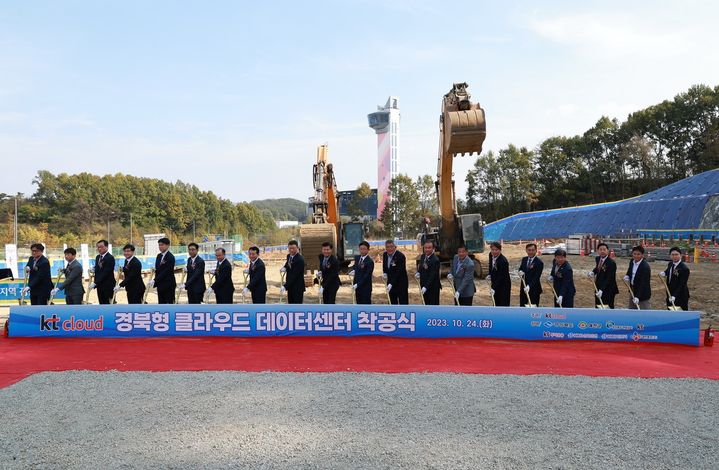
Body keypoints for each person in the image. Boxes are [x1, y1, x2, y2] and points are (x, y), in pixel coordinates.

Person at [660, 246, 690, 310]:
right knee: (671, 312)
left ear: (680, 255)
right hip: (669, 293)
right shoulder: (671, 264)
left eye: (676, 254)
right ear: (670, 256)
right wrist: (665, 273)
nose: (674, 256)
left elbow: (682, 284)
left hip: (680, 296)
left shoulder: (684, 269)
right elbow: (670, 271)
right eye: (672, 255)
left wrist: (674, 296)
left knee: (680, 313)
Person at [590, 242, 618, 308]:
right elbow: (598, 267)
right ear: (598, 251)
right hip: (598, 286)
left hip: (608, 289)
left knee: (607, 306)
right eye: (600, 249)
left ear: (607, 251)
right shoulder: (598, 259)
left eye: (604, 249)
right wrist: (593, 272)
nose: (602, 251)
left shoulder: (611, 263)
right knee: (598, 305)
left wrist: (602, 290)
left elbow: (609, 278)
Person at [623, 245, 651, 310]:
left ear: (642, 255)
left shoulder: (645, 267)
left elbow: (643, 283)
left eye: (638, 254)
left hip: (642, 293)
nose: (636, 256)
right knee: (632, 309)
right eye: (634, 254)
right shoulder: (632, 262)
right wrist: (627, 275)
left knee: (643, 312)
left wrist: (638, 296)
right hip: (633, 289)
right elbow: (630, 270)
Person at [382, 240, 409, 305]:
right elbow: (385, 266)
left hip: (400, 284)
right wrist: (385, 273)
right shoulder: (385, 255)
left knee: (403, 303)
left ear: (395, 247)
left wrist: (391, 283)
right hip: (390, 284)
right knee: (392, 302)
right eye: (387, 247)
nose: (389, 249)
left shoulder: (400, 256)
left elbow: (399, 272)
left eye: (391, 247)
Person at [151, 237, 176, 304]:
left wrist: (155, 280)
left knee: (169, 303)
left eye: (162, 245)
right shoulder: (159, 256)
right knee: (161, 303)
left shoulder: (170, 257)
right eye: (159, 245)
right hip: (160, 284)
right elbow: (158, 269)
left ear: (167, 245)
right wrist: (155, 280)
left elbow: (166, 271)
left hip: (168, 284)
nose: (160, 246)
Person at [518, 243, 543, 307]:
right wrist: (520, 272)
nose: (531, 252)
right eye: (529, 250)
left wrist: (529, 286)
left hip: (534, 289)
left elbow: (536, 277)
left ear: (536, 250)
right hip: (524, 287)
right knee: (522, 306)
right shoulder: (524, 259)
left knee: (533, 308)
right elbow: (521, 268)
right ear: (526, 250)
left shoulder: (539, 262)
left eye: (533, 250)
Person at [416, 241, 440, 305]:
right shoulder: (423, 256)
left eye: (429, 248)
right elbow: (421, 267)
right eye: (425, 248)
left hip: (432, 287)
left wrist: (426, 287)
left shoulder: (435, 260)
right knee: (425, 303)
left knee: (432, 304)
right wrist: (418, 273)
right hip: (423, 285)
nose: (427, 249)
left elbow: (433, 276)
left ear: (433, 249)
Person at [92, 239, 116, 304]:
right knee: (101, 303)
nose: (99, 249)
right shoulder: (97, 257)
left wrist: (95, 282)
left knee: (109, 304)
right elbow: (98, 270)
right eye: (98, 247)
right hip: (99, 285)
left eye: (101, 247)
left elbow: (106, 272)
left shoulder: (110, 258)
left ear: (106, 247)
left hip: (108, 285)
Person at [488, 241, 510, 306]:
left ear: (500, 250)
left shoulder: (503, 261)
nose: (494, 252)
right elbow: (490, 264)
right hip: (495, 282)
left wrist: (494, 288)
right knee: (495, 301)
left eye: (496, 250)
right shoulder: (490, 255)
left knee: (502, 303)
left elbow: (501, 276)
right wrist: (490, 274)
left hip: (503, 285)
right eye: (493, 250)